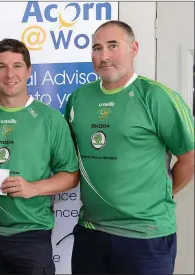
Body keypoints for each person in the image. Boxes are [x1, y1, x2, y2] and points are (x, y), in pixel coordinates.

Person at [65, 20, 194, 274]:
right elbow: (67, 158)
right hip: (91, 232)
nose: (103, 56)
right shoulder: (78, 98)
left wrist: (163, 194)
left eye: (113, 46)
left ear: (133, 48)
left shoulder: (157, 97)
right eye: (97, 48)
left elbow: (189, 158)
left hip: (146, 236)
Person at [0, 38, 80, 275]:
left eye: (17, 65)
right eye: (2, 66)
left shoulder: (51, 119)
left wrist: (32, 188)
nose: (9, 73)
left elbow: (71, 176)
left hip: (31, 239)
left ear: (29, 71)